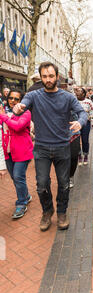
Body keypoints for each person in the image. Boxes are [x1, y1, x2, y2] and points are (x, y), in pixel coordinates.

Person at [13, 61, 87, 232]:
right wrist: (19, 108)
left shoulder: (68, 97)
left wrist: (80, 122)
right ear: (41, 77)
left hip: (62, 147)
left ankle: (61, 212)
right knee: (42, 184)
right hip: (41, 148)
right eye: (44, 76)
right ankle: (47, 212)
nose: (48, 79)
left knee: (63, 184)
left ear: (57, 77)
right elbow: (23, 104)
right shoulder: (34, 95)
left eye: (51, 76)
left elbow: (82, 112)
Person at [0, 89, 34, 219]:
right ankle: (26, 195)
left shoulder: (26, 113)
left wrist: (3, 117)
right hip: (8, 152)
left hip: (22, 151)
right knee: (15, 178)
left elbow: (18, 126)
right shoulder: (5, 112)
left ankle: (21, 204)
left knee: (18, 177)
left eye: (16, 99)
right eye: (11, 98)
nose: (13, 101)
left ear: (21, 101)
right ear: (7, 99)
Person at [75, 87, 93, 166]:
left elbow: (92, 113)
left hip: (86, 123)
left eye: (79, 91)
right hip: (76, 124)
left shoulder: (89, 102)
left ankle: (85, 155)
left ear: (83, 93)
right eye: (77, 91)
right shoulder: (74, 101)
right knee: (76, 141)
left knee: (85, 140)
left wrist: (92, 123)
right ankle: (79, 155)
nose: (77, 92)